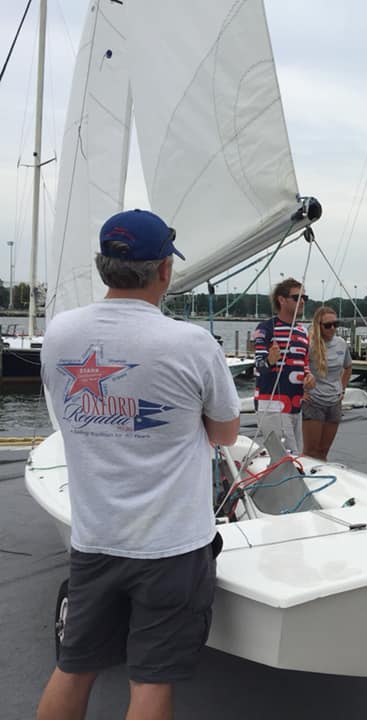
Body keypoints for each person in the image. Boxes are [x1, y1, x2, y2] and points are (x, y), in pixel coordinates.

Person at [37, 209, 241, 720]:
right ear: (164, 270)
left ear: (102, 265)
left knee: (74, 665)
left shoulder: (60, 333)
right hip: (172, 547)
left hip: (94, 538)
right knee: (150, 682)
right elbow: (225, 434)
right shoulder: (191, 343)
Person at [253, 278, 314, 453]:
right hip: (272, 405)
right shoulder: (265, 328)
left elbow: (304, 364)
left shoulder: (302, 331)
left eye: (304, 297)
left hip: (295, 405)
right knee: (284, 457)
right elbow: (258, 367)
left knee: (295, 455)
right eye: (297, 297)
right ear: (281, 300)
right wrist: (270, 360)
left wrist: (309, 378)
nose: (302, 301)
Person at [302, 306, 352, 460]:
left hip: (334, 401)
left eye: (336, 324)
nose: (332, 328)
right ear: (318, 326)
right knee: (311, 452)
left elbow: (348, 367)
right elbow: (296, 368)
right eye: (328, 325)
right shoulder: (308, 345)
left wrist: (342, 389)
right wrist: (301, 392)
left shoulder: (341, 343)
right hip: (314, 401)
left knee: (323, 451)